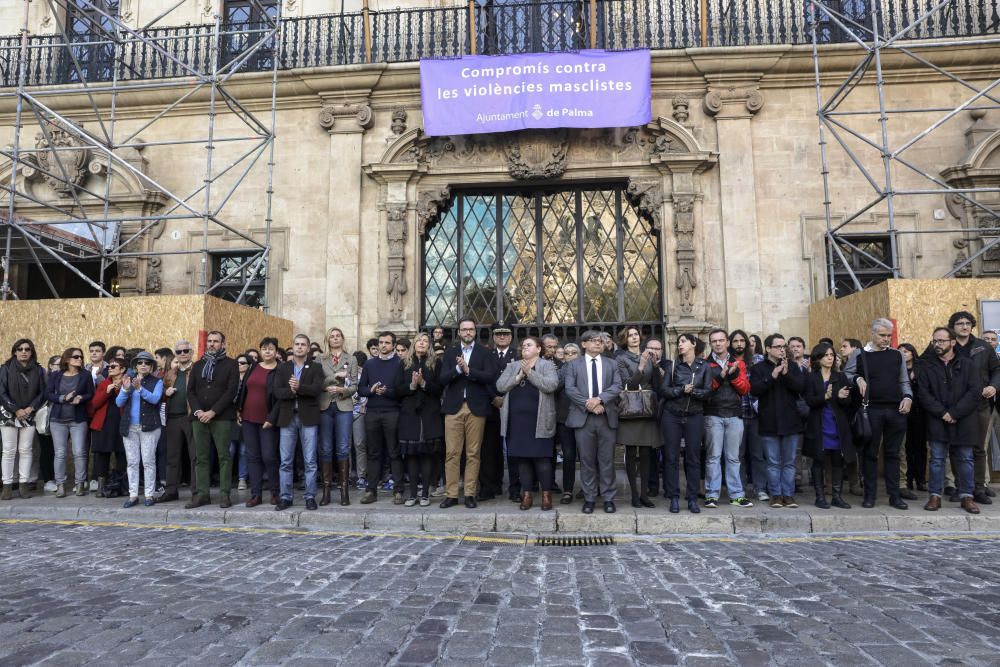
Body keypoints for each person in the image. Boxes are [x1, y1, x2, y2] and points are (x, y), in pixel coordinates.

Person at [844, 318, 913, 509]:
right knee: (870, 454)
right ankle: (870, 496)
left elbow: (904, 381)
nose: (886, 339)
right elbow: (846, 374)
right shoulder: (859, 354)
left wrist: (908, 397)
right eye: (882, 335)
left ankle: (894, 496)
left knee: (894, 454)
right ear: (872, 334)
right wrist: (857, 378)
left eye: (889, 336)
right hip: (870, 410)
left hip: (895, 410)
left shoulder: (897, 355)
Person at [919, 327, 981, 514]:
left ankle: (966, 496)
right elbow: (924, 394)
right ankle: (935, 496)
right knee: (937, 459)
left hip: (964, 419)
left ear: (952, 342)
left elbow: (974, 392)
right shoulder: (927, 366)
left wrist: (955, 413)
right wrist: (942, 413)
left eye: (941, 341)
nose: (937, 345)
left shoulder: (968, 364)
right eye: (935, 341)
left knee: (965, 459)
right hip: (938, 419)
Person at [439, 318, 497, 509]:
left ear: (475, 332)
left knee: (473, 453)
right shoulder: (450, 353)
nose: (467, 332)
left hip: (476, 407)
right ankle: (452, 494)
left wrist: (469, 370)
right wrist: (457, 369)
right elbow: (443, 379)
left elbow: (490, 377)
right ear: (459, 333)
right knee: (452, 453)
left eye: (471, 329)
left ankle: (470, 494)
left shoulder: (485, 352)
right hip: (454, 408)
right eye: (464, 330)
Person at [497, 337, 559, 511]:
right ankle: (527, 495)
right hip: (517, 423)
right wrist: (517, 377)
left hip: (539, 421)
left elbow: (551, 385)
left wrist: (530, 373)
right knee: (522, 460)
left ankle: (546, 495)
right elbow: (500, 386)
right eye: (523, 345)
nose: (525, 347)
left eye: (529, 345)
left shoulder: (547, 366)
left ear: (539, 349)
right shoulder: (512, 366)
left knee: (542, 459)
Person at [564, 329, 622, 514]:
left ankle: (608, 498)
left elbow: (617, 386)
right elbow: (570, 389)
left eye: (600, 341)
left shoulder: (612, 364)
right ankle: (589, 498)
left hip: (606, 417)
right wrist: (589, 404)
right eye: (593, 340)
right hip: (584, 418)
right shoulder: (574, 365)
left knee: (607, 460)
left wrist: (600, 399)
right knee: (587, 461)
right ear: (584, 344)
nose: (598, 343)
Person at [948, 310, 1000, 504]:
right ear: (953, 326)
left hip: (980, 405)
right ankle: (961, 488)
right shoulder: (947, 345)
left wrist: (993, 386)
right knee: (955, 448)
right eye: (960, 323)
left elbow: (997, 370)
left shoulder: (983, 346)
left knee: (978, 448)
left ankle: (979, 488)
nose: (964, 326)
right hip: (954, 406)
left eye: (968, 323)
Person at [659, 333, 713, 514]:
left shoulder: (704, 366)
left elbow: (707, 392)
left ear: (693, 344)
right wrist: (681, 390)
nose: (680, 344)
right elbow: (664, 390)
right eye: (678, 342)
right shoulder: (673, 365)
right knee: (671, 457)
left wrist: (693, 392)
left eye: (683, 341)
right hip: (672, 415)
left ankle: (692, 498)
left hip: (694, 416)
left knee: (693, 457)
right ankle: (673, 497)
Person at [750, 333, 806, 508]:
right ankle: (775, 494)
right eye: (778, 347)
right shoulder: (758, 368)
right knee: (773, 462)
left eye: (784, 347)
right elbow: (755, 390)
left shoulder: (793, 367)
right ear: (768, 349)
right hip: (769, 421)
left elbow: (800, 388)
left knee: (789, 461)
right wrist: (772, 375)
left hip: (790, 421)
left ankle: (788, 495)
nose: (782, 350)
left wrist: (787, 373)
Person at [186, 330, 239, 509]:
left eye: (216, 341)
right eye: (209, 341)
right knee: (201, 457)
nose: (211, 344)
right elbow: (190, 390)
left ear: (223, 344)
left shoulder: (231, 365)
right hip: (199, 418)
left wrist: (213, 411)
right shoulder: (198, 364)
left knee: (224, 456)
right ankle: (202, 494)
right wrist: (199, 410)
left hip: (222, 417)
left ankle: (225, 494)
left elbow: (231, 391)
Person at [271, 334, 325, 511]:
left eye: (303, 344)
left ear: (308, 348)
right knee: (286, 461)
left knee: (310, 460)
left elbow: (317, 389)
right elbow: (277, 391)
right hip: (288, 417)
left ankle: (310, 497)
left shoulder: (316, 367)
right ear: (292, 347)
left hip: (308, 417)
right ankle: (286, 497)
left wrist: (299, 387)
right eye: (297, 344)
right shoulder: (283, 367)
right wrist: (293, 391)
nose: (300, 347)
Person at [704, 329, 754, 508]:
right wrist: (721, 375)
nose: (718, 343)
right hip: (713, 414)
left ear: (727, 342)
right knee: (713, 457)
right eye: (714, 341)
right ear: (710, 343)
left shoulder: (738, 364)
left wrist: (732, 376)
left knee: (733, 458)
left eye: (721, 340)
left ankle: (736, 495)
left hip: (734, 415)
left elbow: (745, 389)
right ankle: (711, 495)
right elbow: (706, 390)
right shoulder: (705, 364)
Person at [802, 343, 854, 509]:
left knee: (838, 460)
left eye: (832, 355)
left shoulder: (840, 377)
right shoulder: (811, 377)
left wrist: (842, 397)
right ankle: (820, 497)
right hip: (819, 424)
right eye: (826, 355)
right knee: (819, 461)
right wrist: (825, 396)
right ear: (818, 358)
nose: (830, 358)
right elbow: (809, 401)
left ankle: (837, 497)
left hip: (837, 424)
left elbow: (848, 403)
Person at [615, 326, 661, 509]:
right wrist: (641, 366)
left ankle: (644, 494)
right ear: (625, 340)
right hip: (631, 410)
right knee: (632, 453)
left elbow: (656, 384)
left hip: (647, 409)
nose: (634, 338)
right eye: (630, 335)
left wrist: (655, 366)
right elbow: (627, 384)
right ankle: (634, 494)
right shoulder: (621, 359)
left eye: (636, 335)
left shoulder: (649, 355)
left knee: (646, 453)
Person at [358, 331, 406, 504]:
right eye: (381, 342)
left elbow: (402, 390)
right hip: (372, 412)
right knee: (373, 452)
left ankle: (398, 490)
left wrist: (388, 392)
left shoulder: (400, 364)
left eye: (387, 342)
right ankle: (371, 490)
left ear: (393, 345)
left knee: (394, 452)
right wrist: (370, 390)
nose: (383, 345)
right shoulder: (370, 365)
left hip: (392, 411)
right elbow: (360, 388)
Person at [397, 333, 443, 507]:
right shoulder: (403, 363)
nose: (422, 343)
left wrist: (424, 383)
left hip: (429, 414)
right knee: (411, 455)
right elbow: (397, 389)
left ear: (429, 345)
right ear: (414, 344)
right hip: (410, 415)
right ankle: (412, 495)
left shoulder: (436, 363)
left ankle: (425, 494)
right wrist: (412, 386)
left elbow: (440, 388)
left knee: (427, 455)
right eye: (419, 341)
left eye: (425, 341)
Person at [115, 351, 164, 508]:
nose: (143, 365)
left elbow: (155, 399)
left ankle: (149, 494)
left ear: (151, 366)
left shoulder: (157, 381)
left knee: (148, 461)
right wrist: (125, 389)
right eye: (140, 362)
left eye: (147, 363)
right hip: (130, 427)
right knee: (132, 462)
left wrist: (140, 389)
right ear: (135, 365)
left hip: (149, 427)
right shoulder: (128, 380)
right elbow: (119, 403)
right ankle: (133, 495)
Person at [46, 347, 95, 498]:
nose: (79, 359)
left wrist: (81, 398)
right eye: (75, 357)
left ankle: (80, 484)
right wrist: (62, 398)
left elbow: (90, 393)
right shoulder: (56, 375)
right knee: (60, 453)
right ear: (67, 359)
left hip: (78, 419)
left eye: (81, 357)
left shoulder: (85, 375)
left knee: (79, 452)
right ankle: (60, 485)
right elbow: (47, 394)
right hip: (58, 420)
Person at [236, 337, 280, 507]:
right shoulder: (253, 367)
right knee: (252, 457)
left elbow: (281, 399)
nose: (267, 351)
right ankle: (256, 494)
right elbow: (243, 389)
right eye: (264, 348)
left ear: (276, 351)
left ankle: (275, 492)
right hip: (248, 418)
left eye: (271, 348)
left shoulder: (280, 370)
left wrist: (271, 418)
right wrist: (238, 409)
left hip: (268, 421)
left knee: (269, 456)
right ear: (260, 351)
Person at [0, 339, 45, 500]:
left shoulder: (39, 370)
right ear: (14, 352)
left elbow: (42, 392)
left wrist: (30, 408)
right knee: (9, 451)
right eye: (20, 349)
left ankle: (24, 485)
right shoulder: (5, 368)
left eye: (27, 349)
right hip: (8, 414)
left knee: (26, 450)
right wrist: (16, 409)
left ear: (32, 352)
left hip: (29, 414)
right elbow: (1, 392)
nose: (23, 351)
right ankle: (7, 486)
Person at [318, 327, 357, 506]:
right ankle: (326, 491)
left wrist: (342, 389)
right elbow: (318, 382)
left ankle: (344, 491)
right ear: (327, 340)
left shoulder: (351, 359)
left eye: (338, 336)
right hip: (325, 405)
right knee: (325, 448)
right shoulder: (320, 359)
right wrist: (335, 376)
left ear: (342, 338)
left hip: (344, 406)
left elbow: (354, 385)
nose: (335, 339)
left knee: (343, 448)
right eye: (332, 336)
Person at [481, 321, 516, 502]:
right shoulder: (487, 355)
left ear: (510, 336)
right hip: (491, 405)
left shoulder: (517, 354)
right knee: (490, 449)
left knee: (514, 448)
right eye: (498, 334)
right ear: (494, 336)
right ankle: (492, 485)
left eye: (506, 334)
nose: (502, 337)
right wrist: (493, 397)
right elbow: (484, 379)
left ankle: (515, 487)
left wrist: (505, 397)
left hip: (512, 405)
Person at [730, 329, 766, 500]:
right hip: (736, 414)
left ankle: (760, 488)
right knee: (739, 454)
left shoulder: (758, 360)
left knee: (758, 454)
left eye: (741, 341)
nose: (739, 344)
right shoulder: (728, 362)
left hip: (756, 413)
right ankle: (741, 488)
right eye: (735, 341)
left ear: (746, 343)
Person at [160, 340, 195, 503]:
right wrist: (165, 392)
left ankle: (197, 491)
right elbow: (161, 395)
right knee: (172, 457)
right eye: (179, 352)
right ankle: (171, 490)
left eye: (185, 351)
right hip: (172, 418)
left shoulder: (197, 370)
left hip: (190, 418)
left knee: (195, 456)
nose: (182, 354)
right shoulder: (170, 373)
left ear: (191, 352)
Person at [88, 356, 127, 498]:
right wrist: (107, 391)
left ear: (122, 369)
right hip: (103, 425)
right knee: (101, 455)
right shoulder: (104, 383)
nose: (110, 368)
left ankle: (121, 486)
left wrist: (118, 389)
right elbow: (94, 404)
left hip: (121, 424)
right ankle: (101, 487)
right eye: (109, 366)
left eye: (113, 366)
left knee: (122, 454)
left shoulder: (127, 382)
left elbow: (123, 402)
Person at [899, 343, 927, 493]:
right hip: (903, 412)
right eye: (901, 351)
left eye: (906, 351)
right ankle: (908, 479)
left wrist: (916, 378)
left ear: (912, 353)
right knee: (907, 447)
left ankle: (921, 479)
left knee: (920, 447)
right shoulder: (897, 369)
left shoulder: (921, 368)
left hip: (920, 412)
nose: (903, 354)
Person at [557, 343, 581, 504]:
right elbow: (555, 386)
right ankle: (567, 490)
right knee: (569, 455)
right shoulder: (560, 371)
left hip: (583, 417)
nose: (570, 356)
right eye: (567, 353)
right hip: (564, 419)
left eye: (574, 353)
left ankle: (588, 488)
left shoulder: (585, 369)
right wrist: (567, 369)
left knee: (586, 456)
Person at [231, 354, 250, 492]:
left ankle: (242, 478)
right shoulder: (231, 379)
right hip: (230, 418)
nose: (240, 365)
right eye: (238, 362)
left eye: (243, 363)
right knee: (230, 450)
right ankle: (226, 476)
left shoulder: (250, 380)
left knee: (244, 450)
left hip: (246, 417)